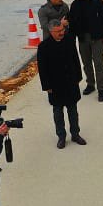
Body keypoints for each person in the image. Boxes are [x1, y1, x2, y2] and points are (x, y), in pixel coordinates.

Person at [37, 19, 86, 149]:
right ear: (51, 32)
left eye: (62, 29)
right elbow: (42, 69)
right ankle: (61, 137)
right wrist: (46, 86)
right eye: (58, 31)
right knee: (58, 113)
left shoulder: (69, 40)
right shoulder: (44, 47)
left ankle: (75, 134)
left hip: (71, 82)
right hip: (55, 86)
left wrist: (78, 76)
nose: (61, 33)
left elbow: (75, 58)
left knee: (73, 111)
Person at [68, 0, 103, 101]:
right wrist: (71, 39)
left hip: (97, 38)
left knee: (98, 63)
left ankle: (101, 89)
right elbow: (72, 22)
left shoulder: (97, 2)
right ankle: (90, 84)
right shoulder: (75, 5)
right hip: (83, 39)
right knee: (86, 63)